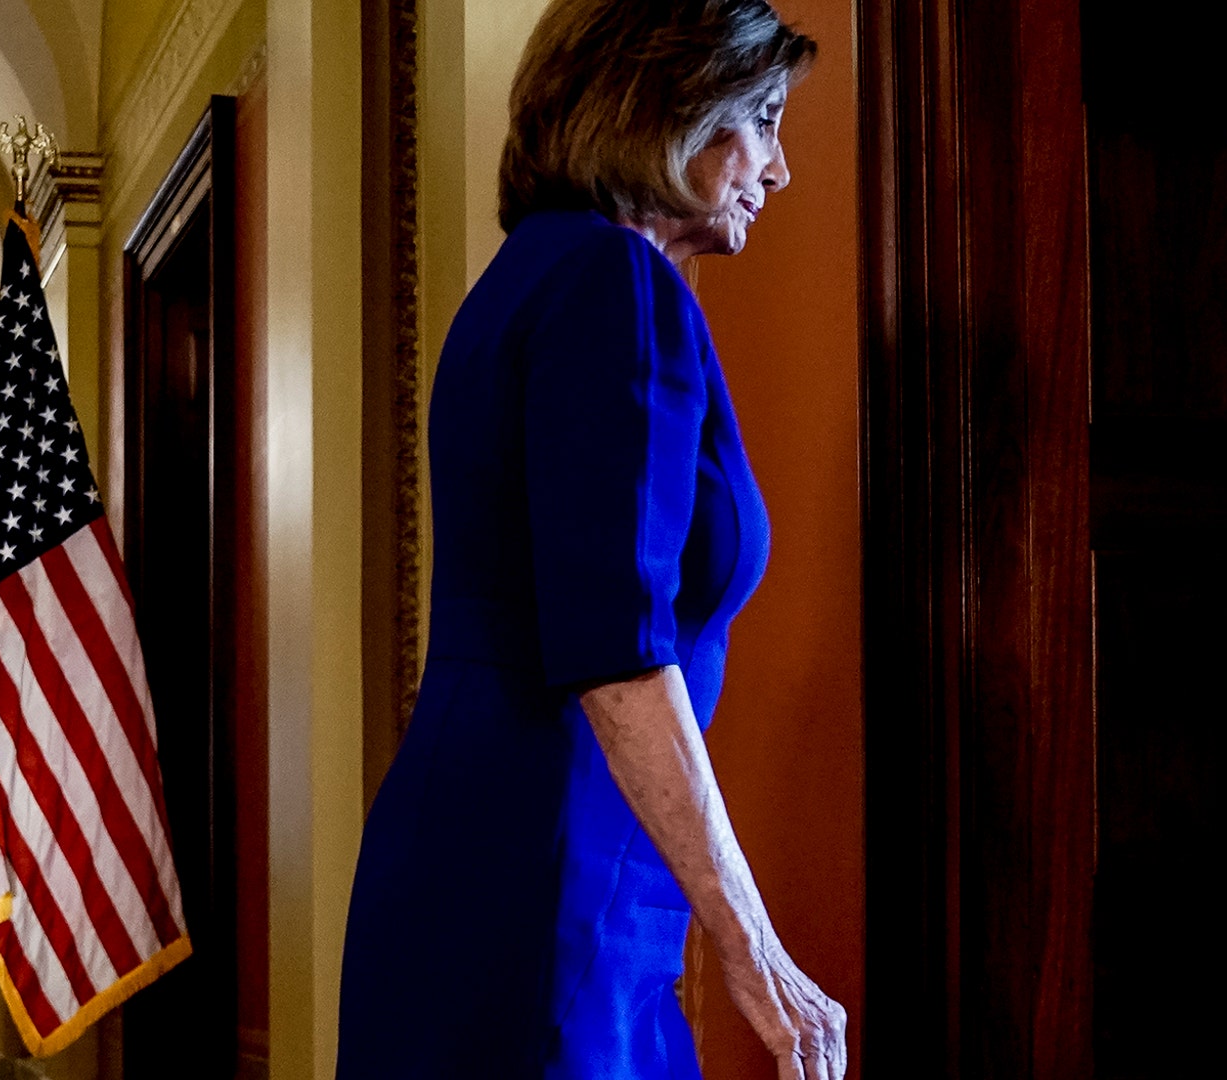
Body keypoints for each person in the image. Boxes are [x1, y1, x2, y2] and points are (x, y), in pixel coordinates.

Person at [337, 2, 846, 1077]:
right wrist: (755, 950)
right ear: (668, 105)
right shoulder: (615, 284)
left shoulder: (530, 274)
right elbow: (613, 649)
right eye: (759, 118)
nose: (779, 165)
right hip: (549, 880)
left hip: (506, 859)